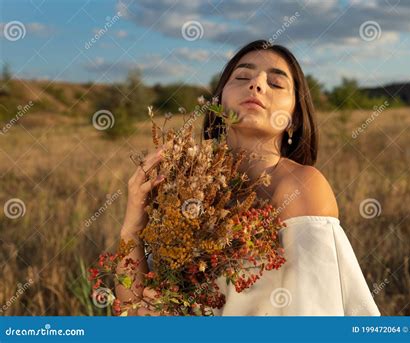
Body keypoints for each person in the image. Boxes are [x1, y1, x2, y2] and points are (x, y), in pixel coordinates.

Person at [116, 40, 380, 316]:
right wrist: (133, 227)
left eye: (276, 84)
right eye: (242, 77)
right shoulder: (183, 185)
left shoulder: (300, 187)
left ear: (294, 118)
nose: (256, 84)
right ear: (218, 104)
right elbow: (128, 313)